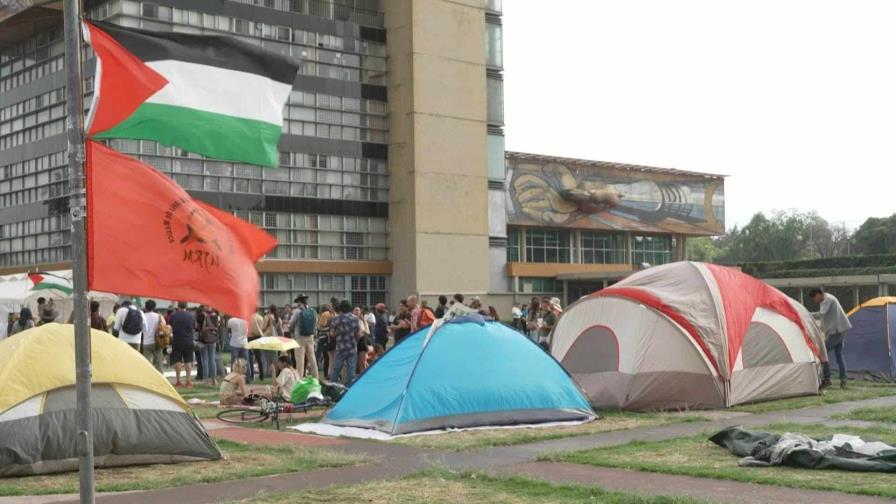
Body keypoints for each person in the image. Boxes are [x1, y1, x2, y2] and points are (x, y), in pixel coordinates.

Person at [810, 288, 853, 389]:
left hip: (837, 331)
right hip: (840, 329)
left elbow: (821, 314)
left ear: (818, 294)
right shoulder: (826, 299)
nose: (814, 301)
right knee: (839, 356)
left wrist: (808, 314)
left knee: (822, 354)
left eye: (814, 298)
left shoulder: (827, 300)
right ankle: (844, 381)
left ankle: (827, 379)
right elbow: (826, 318)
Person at [329, 300, 360, 384]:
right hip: (352, 347)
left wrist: (339, 333)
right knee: (350, 369)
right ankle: (348, 387)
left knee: (336, 368)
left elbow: (332, 334)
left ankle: (332, 386)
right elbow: (358, 333)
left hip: (340, 348)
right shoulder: (355, 318)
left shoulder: (336, 318)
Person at [289, 294, 319, 379]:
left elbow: (291, 323)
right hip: (310, 336)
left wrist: (290, 326)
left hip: (300, 337)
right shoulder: (312, 310)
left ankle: (300, 379)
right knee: (312, 358)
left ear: (299, 301)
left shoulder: (297, 311)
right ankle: (316, 378)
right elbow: (315, 322)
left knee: (300, 360)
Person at [170, 302, 196, 388]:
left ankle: (178, 381)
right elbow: (194, 327)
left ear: (178, 306)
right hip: (188, 340)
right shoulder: (191, 316)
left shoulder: (174, 315)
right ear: (186, 306)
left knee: (177, 360)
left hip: (177, 339)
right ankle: (188, 381)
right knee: (188, 360)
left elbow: (171, 326)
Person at [199, 307, 222, 386]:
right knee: (212, 359)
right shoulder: (216, 316)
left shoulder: (202, 315)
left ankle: (205, 380)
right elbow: (219, 327)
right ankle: (214, 379)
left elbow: (198, 327)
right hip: (213, 339)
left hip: (203, 339)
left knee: (204, 359)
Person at [141, 300, 164, 373]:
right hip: (157, 342)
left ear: (145, 307)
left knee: (147, 363)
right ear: (154, 307)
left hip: (146, 342)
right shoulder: (159, 316)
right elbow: (163, 327)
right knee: (159, 363)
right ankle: (161, 379)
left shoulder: (143, 316)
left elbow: (141, 329)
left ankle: (149, 378)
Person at [227, 315, 251, 382]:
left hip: (234, 343)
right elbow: (248, 331)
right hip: (244, 343)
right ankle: (247, 378)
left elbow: (228, 330)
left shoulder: (231, 320)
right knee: (246, 362)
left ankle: (233, 378)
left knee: (234, 362)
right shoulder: (246, 321)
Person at [316, 303, 336, 375]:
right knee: (331, 357)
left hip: (324, 337)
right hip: (332, 337)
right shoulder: (334, 314)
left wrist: (318, 326)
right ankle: (330, 373)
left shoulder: (325, 314)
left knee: (320, 355)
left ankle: (326, 373)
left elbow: (321, 325)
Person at [354, 306, 373, 374]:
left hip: (362, 341)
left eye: (358, 310)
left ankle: (369, 374)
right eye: (356, 310)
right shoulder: (351, 320)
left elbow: (368, 332)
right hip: (354, 342)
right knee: (358, 363)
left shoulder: (363, 320)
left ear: (360, 312)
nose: (357, 312)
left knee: (363, 361)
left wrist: (362, 330)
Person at [249, 309, 266, 380]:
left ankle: (251, 375)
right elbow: (263, 327)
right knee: (259, 357)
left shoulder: (249, 317)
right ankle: (261, 376)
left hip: (251, 337)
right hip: (259, 337)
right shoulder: (260, 317)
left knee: (250, 357)